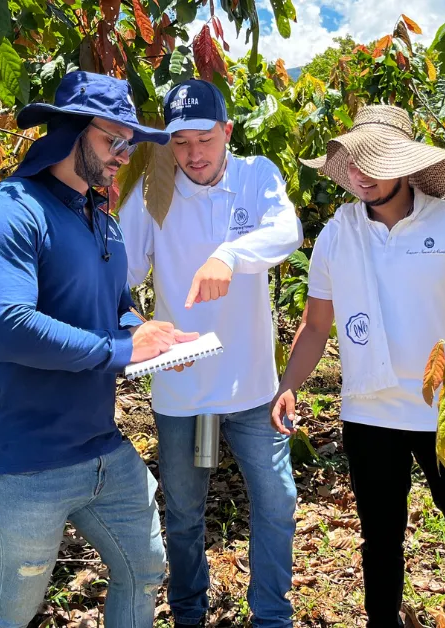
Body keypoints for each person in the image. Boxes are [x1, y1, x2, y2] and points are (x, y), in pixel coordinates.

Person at [270, 105, 445, 628]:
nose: (361, 174)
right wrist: (289, 384)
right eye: (354, 163)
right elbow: (316, 325)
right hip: (369, 412)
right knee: (380, 541)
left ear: (405, 165)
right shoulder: (338, 233)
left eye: (375, 161)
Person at [0, 71, 198, 628]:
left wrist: (154, 339)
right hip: (25, 462)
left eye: (129, 144)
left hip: (102, 448)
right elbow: (9, 326)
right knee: (8, 611)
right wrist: (122, 350)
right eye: (112, 140)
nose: (123, 156)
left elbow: (116, 308)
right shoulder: (7, 212)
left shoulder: (104, 222)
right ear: (69, 131)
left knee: (144, 568)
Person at [118, 79, 303, 628]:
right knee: (183, 514)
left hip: (251, 384)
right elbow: (121, 280)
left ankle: (271, 616)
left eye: (204, 139)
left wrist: (229, 254)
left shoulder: (256, 175)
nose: (193, 155)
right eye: (180, 143)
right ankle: (187, 614)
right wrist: (140, 328)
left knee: (277, 502)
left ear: (227, 132)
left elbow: (287, 230)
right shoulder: (151, 190)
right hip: (181, 384)